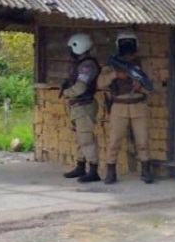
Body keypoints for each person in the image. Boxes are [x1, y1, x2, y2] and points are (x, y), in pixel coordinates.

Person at [98, 31, 153, 185]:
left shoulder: (142, 64)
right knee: (114, 141)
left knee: (142, 141)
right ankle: (111, 172)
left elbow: (151, 86)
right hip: (119, 106)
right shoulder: (111, 65)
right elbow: (100, 83)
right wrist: (115, 75)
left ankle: (146, 170)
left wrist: (139, 87)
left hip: (138, 105)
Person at [60, 32, 101, 183]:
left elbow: (81, 87)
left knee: (86, 139)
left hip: (84, 105)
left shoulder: (87, 65)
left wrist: (66, 93)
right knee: (80, 138)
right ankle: (80, 166)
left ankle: (93, 170)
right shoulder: (82, 64)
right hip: (78, 106)